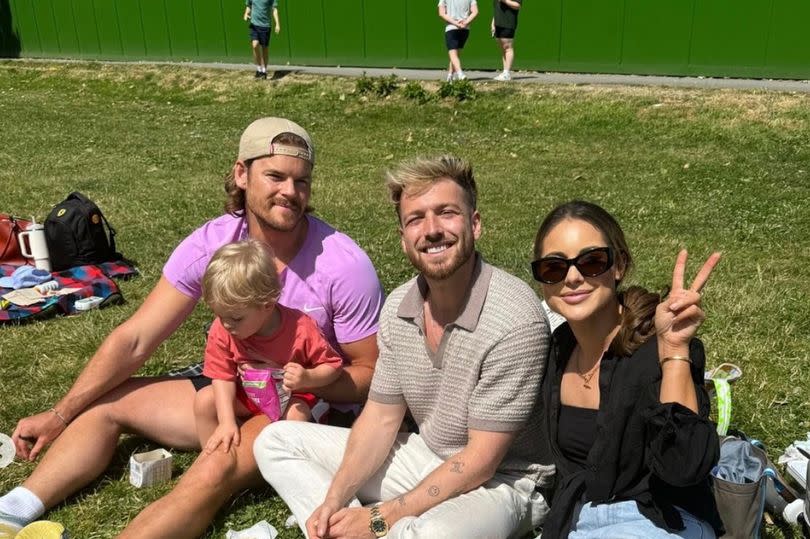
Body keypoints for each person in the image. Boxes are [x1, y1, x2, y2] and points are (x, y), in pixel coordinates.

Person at [1, 117, 384, 538]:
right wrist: (60, 414)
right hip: (231, 387)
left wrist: (308, 382)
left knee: (212, 468)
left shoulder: (343, 264)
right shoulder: (215, 244)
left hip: (301, 405)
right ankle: (16, 508)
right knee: (105, 404)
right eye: (275, 176)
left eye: (302, 181)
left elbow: (368, 375)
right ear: (242, 174)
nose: (290, 192)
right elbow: (136, 338)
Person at [254, 155, 553, 539]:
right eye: (415, 219)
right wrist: (334, 499)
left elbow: (482, 460)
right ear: (403, 238)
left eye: (446, 213)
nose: (431, 230)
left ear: (475, 224)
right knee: (275, 441)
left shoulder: (513, 316)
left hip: (505, 483)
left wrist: (380, 520)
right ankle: (343, 526)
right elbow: (380, 419)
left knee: (430, 534)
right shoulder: (399, 307)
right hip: (427, 457)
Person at [531, 200, 724, 538]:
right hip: (578, 519)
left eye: (591, 262)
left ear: (619, 265)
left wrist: (675, 351)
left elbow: (686, 466)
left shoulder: (659, 345)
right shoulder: (558, 347)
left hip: (661, 519)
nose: (573, 277)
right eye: (554, 268)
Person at [195, 239, 344, 455]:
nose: (226, 324)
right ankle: (214, 456)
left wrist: (308, 378)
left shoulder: (300, 328)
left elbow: (333, 366)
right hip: (249, 393)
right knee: (204, 400)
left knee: (296, 415)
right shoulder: (223, 329)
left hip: (292, 396)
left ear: (267, 305)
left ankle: (289, 466)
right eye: (219, 315)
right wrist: (226, 421)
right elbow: (222, 376)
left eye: (236, 318)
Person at [438, 0, 478, 81]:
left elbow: (441, 13)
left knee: (453, 55)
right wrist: (466, 22)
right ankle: (450, 76)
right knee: (456, 55)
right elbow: (475, 12)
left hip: (451, 28)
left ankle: (460, 73)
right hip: (465, 29)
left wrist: (456, 23)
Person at [243, 0, 281, 80]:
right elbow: (249, 6)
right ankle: (258, 69)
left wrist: (277, 24)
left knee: (264, 48)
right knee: (255, 45)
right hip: (254, 25)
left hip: (265, 26)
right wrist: (246, 13)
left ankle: (264, 71)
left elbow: (274, 9)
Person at [491, 0, 522, 81]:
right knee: (504, 49)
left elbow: (517, 5)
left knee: (508, 48)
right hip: (498, 23)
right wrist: (493, 22)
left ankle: (507, 73)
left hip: (508, 23)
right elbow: (497, 9)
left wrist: (505, 0)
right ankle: (504, 72)